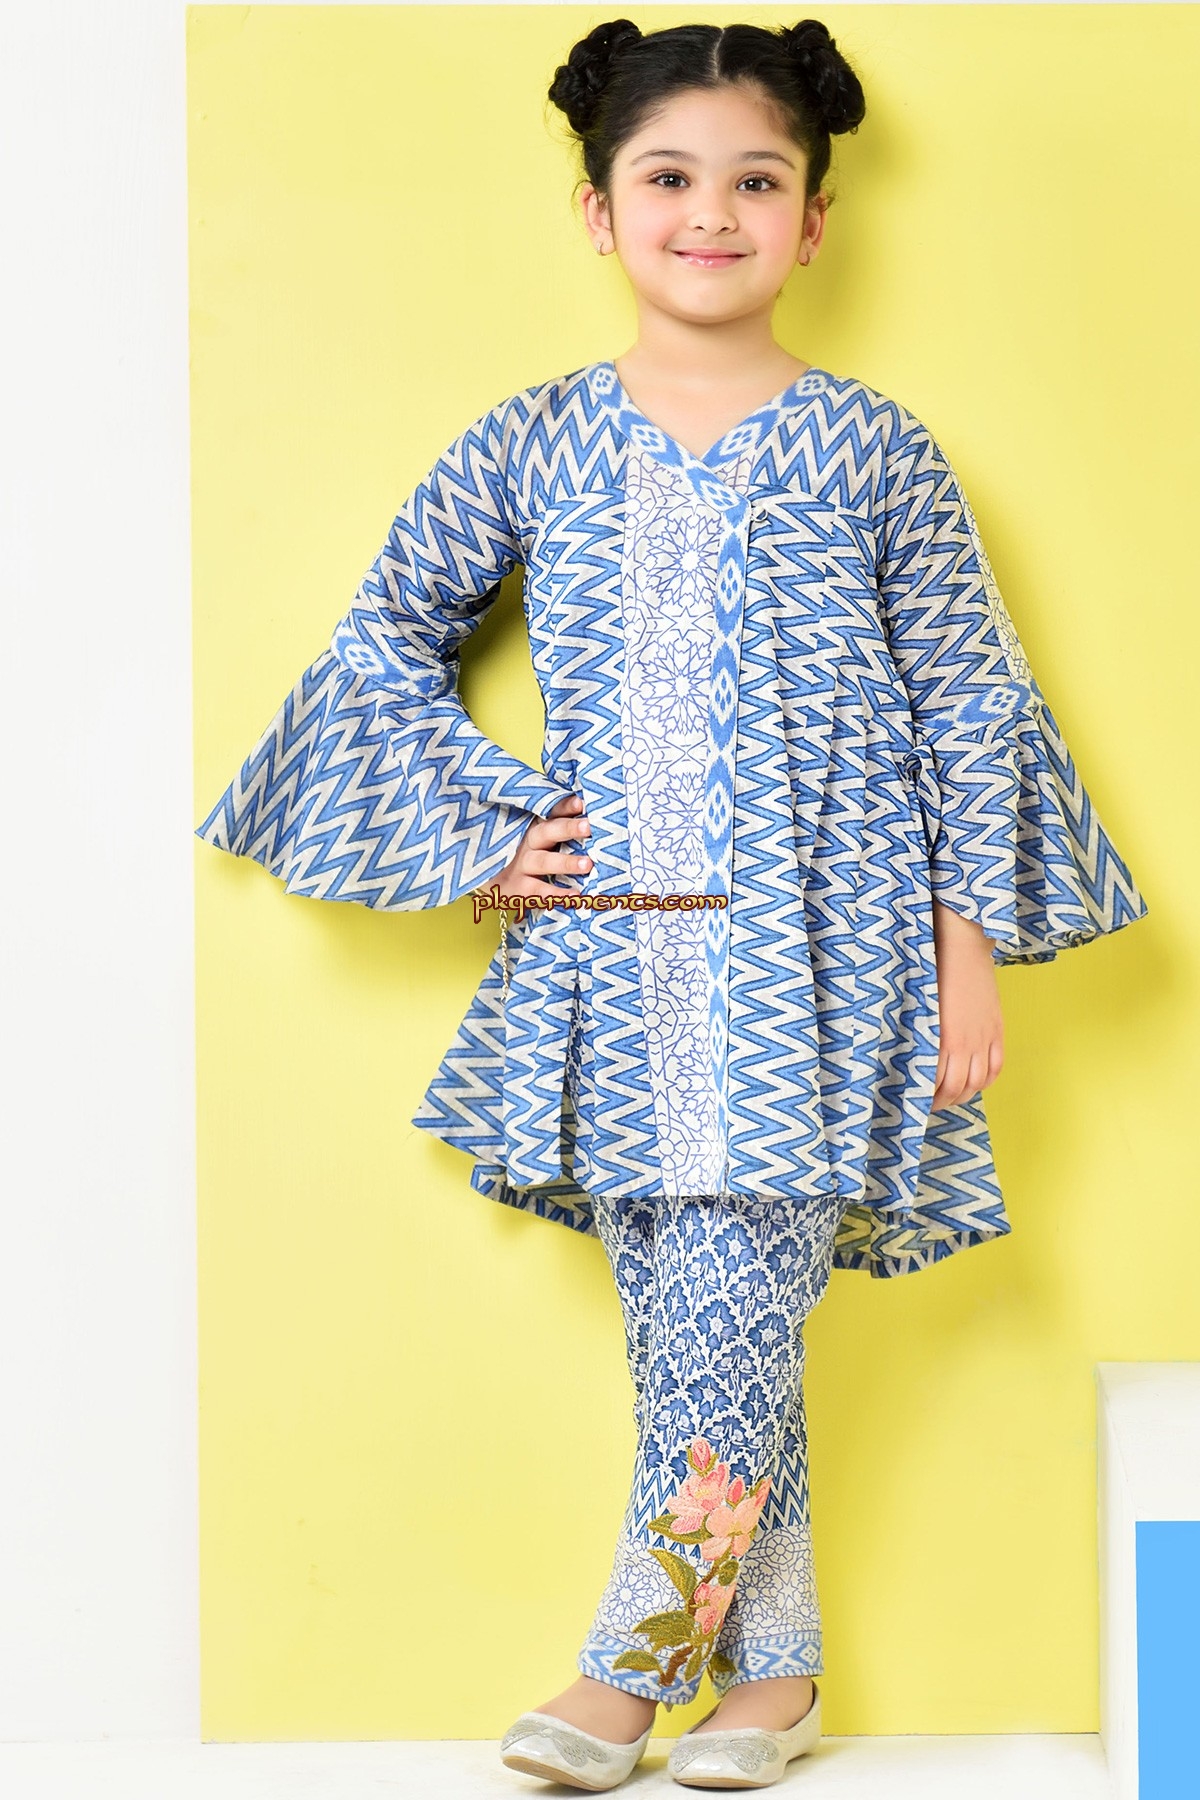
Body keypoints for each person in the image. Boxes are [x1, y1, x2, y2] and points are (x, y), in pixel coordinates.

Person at [194, 16, 1149, 1791]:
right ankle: (774, 1687)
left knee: (722, 1316)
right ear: (598, 210)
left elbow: (970, 700)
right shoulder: (533, 443)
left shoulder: (874, 448)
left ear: (815, 219)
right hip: (612, 960)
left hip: (829, 958)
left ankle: (629, 1674)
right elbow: (380, 643)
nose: (713, 212)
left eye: (756, 181)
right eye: (669, 177)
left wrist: (969, 948)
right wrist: (485, 833)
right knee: (706, 1332)